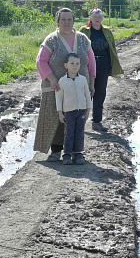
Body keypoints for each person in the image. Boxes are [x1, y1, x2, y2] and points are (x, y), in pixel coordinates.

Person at [34, 8, 96, 161]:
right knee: (56, 119)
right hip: (55, 87)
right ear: (58, 21)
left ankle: (76, 152)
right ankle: (56, 152)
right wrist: (52, 79)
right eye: (63, 19)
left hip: (78, 88)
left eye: (69, 19)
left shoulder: (82, 39)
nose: (66, 22)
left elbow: (91, 62)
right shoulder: (51, 40)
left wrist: (91, 83)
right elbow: (41, 61)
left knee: (76, 121)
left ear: (73, 21)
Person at [79, 8, 123, 132]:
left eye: (99, 16)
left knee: (100, 93)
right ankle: (80, 121)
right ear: (90, 18)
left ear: (102, 18)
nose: (97, 18)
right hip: (87, 65)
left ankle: (97, 122)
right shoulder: (84, 31)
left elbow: (113, 50)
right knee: (86, 92)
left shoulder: (107, 32)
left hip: (103, 64)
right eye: (95, 16)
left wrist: (113, 68)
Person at [55, 53, 92, 165]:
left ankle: (78, 153)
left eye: (77, 64)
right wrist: (60, 113)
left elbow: (87, 95)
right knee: (69, 132)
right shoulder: (62, 81)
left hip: (81, 110)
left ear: (80, 65)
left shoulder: (83, 79)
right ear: (66, 65)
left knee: (79, 132)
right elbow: (59, 98)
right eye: (72, 63)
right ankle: (67, 154)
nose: (74, 66)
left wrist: (88, 111)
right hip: (69, 111)